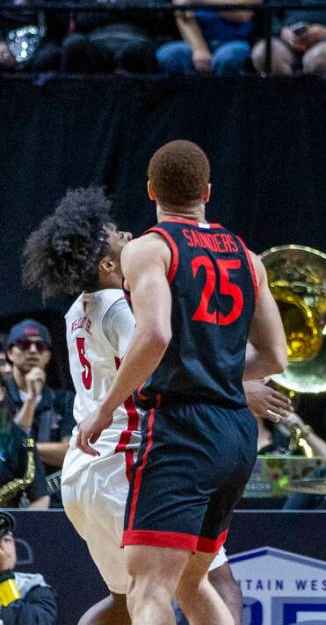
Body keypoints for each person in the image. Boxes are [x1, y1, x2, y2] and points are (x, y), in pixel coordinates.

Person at [21, 185, 292, 625]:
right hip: (123, 462)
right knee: (213, 581)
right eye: (114, 235)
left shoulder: (79, 308)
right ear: (108, 265)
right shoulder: (116, 308)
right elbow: (159, 363)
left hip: (84, 474)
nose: (127, 233)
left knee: (130, 603)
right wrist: (240, 390)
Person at [3, 320, 73, 473]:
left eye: (40, 346)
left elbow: (71, 452)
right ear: (9, 353)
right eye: (24, 344)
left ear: (47, 355)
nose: (33, 350)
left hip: (58, 493)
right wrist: (30, 399)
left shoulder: (65, 399)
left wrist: (23, 446)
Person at [0, 512, 58, 623]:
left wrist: (4, 577)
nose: (2, 547)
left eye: (7, 540)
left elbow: (39, 622)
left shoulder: (32, 584)